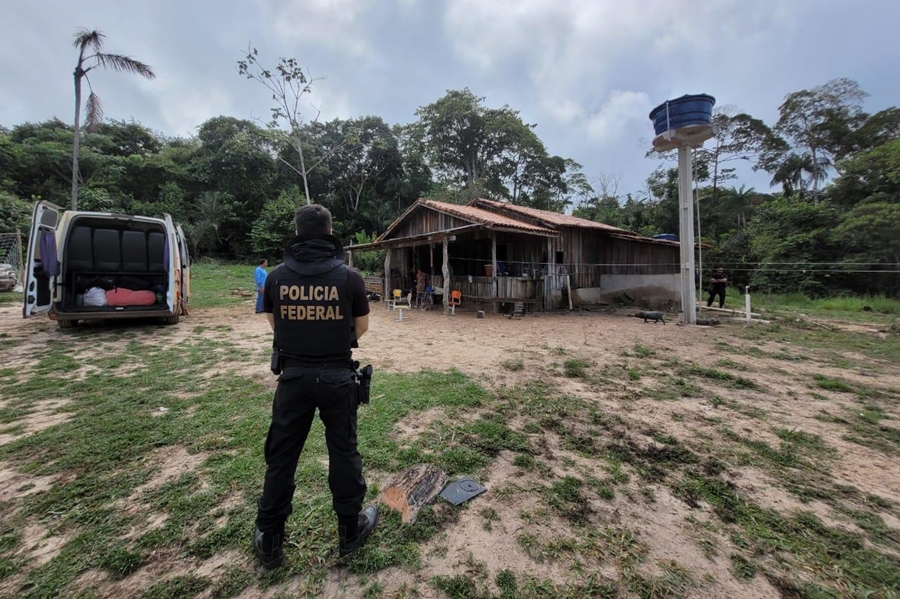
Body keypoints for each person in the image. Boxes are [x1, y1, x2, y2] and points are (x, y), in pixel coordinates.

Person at [254, 204, 377, 569]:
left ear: (296, 233)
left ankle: (270, 538)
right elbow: (362, 327)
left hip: (291, 378)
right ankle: (349, 530)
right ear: (329, 232)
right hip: (338, 378)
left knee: (281, 458)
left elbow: (274, 323)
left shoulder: (275, 277)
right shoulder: (349, 277)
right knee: (344, 453)